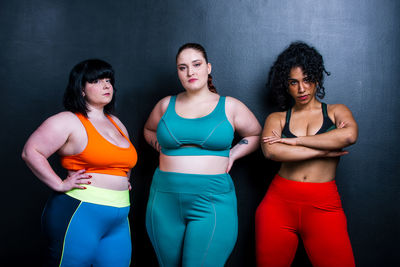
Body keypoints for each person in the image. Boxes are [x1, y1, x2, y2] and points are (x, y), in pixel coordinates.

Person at [144, 43, 261, 266]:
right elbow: (149, 130)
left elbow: (255, 134)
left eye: (196, 65)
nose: (190, 72)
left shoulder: (230, 106)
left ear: (208, 68)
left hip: (211, 200)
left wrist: (234, 154)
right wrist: (159, 146)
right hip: (164, 199)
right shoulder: (165, 105)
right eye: (183, 67)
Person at [22, 59, 137, 267]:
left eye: (109, 80)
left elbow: (123, 162)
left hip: (119, 218)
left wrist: (122, 180)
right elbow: (31, 151)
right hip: (81, 213)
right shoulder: (68, 120)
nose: (106, 86)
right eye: (97, 81)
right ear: (81, 89)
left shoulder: (116, 122)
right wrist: (59, 183)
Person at [256, 42, 358, 267]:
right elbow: (271, 151)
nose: (301, 89)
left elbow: (349, 136)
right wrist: (323, 149)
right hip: (278, 205)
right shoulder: (278, 118)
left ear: (317, 79)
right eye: (294, 82)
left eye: (307, 80)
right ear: (287, 84)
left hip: (324, 206)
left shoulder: (336, 111)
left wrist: (296, 141)